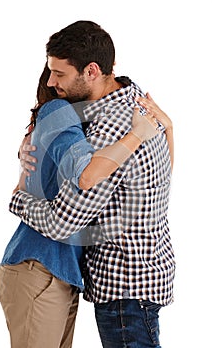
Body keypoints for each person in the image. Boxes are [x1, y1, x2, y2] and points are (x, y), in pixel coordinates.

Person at [9, 20, 175, 347]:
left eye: (60, 74)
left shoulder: (110, 131)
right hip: (142, 277)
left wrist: (17, 199)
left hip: (125, 287)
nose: (51, 82)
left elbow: (63, 221)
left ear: (92, 71)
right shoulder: (133, 96)